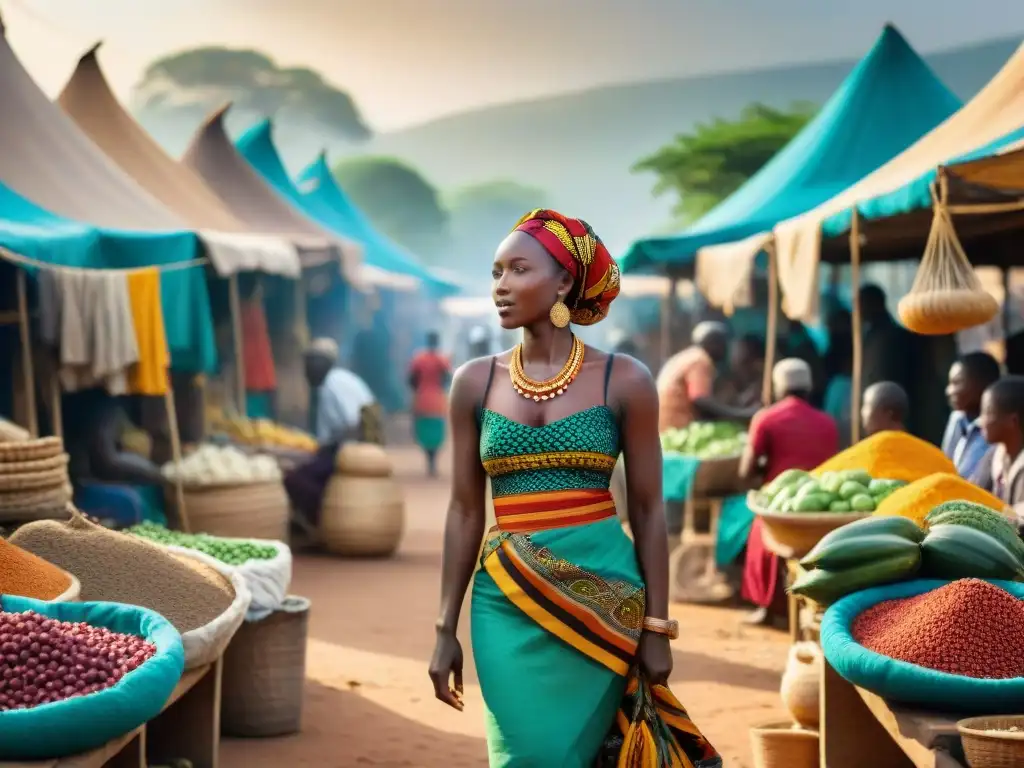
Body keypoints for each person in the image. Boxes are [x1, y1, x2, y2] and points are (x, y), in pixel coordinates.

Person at [428, 209, 719, 766]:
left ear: (564, 282)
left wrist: (658, 626)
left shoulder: (624, 379)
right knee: (523, 753)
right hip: (507, 601)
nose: (502, 286)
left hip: (606, 601)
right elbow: (465, 512)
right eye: (495, 273)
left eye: (518, 269)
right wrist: (445, 628)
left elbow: (650, 509)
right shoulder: (474, 382)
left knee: (583, 754)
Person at [739, 359, 839, 626]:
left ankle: (768, 608)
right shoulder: (828, 422)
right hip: (822, 504)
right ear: (809, 387)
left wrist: (763, 469)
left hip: (782, 505)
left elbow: (745, 472)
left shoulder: (766, 418)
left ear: (777, 387)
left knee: (761, 534)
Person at [283, 338, 381, 529]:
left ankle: (322, 522)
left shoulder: (333, 383)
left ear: (327, 363)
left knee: (294, 480)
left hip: (349, 451)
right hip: (343, 447)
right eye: (307, 362)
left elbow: (355, 423)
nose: (309, 368)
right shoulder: (338, 379)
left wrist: (329, 451)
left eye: (314, 361)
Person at [656, 321, 754, 432]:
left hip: (663, 426)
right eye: (723, 344)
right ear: (715, 344)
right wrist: (741, 415)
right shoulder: (700, 360)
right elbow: (700, 401)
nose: (726, 350)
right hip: (676, 429)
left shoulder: (687, 356)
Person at [971, 377, 1024, 526]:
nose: (981, 420)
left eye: (987, 412)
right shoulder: (994, 456)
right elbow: (973, 495)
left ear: (1012, 421)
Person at [942, 352, 1001, 479]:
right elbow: (946, 466)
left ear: (983, 383)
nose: (949, 391)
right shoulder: (957, 419)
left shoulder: (999, 426)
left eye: (957, 383)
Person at [408, 331, 452, 476]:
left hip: (422, 398)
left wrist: (419, 389)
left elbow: (411, 380)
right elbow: (447, 379)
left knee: (424, 431)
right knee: (436, 432)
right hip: (437, 400)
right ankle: (432, 461)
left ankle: (429, 460)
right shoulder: (442, 359)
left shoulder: (418, 359)